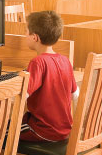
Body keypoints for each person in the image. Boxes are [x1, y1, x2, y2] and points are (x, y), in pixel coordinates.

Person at [20, 11, 77, 143]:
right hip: (63, 130)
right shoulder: (65, 60)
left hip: (42, 131)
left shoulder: (37, 62)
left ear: (35, 37)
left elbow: (22, 95)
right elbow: (75, 94)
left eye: (26, 31)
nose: (24, 35)